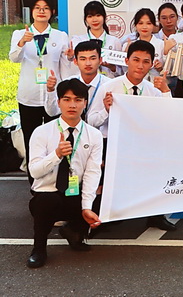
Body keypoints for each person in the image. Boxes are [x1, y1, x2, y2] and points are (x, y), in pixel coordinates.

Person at [90, 41, 173, 232]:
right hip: (113, 144)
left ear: (151, 64)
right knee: (110, 183)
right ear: (127, 61)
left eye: (146, 61)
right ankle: (105, 217)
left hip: (143, 143)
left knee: (156, 172)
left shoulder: (153, 90)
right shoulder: (109, 87)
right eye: (136, 60)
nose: (140, 66)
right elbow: (91, 121)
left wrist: (166, 92)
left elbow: (168, 118)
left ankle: (155, 215)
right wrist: (106, 110)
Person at [26, 78, 103, 268]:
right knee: (46, 200)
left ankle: (74, 232)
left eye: (78, 100)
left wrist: (87, 207)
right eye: (67, 99)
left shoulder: (93, 135)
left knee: (103, 199)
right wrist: (57, 154)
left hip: (75, 193)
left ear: (85, 103)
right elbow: (34, 171)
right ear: (59, 102)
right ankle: (39, 249)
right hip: (48, 193)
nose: (72, 105)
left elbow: (93, 172)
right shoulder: (42, 132)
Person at [11, 0, 72, 181]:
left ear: (52, 12)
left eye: (45, 8)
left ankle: (56, 180)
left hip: (53, 96)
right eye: (37, 8)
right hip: (29, 96)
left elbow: (65, 66)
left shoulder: (60, 36)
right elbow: (14, 58)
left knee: (56, 138)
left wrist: (70, 57)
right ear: (32, 12)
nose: (41, 11)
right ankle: (34, 182)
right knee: (32, 139)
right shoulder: (20, 34)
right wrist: (22, 43)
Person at [44, 40, 106, 120]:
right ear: (76, 61)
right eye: (83, 59)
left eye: (92, 58)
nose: (88, 63)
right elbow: (52, 112)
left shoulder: (109, 85)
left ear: (100, 60)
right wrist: (50, 90)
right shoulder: (68, 84)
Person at [71, 0, 122, 76]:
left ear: (104, 17)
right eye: (90, 16)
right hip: (85, 82)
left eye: (98, 15)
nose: (94, 20)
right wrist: (70, 56)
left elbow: (122, 72)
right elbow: (72, 63)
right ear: (85, 19)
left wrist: (111, 67)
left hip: (108, 81)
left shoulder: (114, 41)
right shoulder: (78, 40)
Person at [124, 9, 164, 80]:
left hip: (155, 83)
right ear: (135, 25)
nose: (144, 27)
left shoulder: (162, 44)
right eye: (140, 23)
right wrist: (125, 54)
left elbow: (169, 73)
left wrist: (161, 67)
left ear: (154, 25)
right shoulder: (128, 45)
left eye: (148, 23)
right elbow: (123, 71)